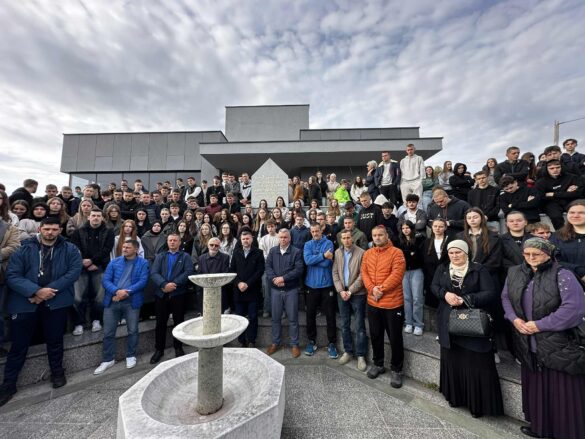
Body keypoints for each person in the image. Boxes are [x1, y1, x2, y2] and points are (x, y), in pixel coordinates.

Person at [502, 238, 585, 439]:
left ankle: (567, 432)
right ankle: (541, 427)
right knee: (537, 388)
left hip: (558, 344)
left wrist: (540, 325)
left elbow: (574, 309)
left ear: (548, 254)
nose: (531, 258)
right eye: (527, 254)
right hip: (527, 342)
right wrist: (514, 319)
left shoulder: (563, 274)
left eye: (536, 254)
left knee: (563, 390)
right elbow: (506, 297)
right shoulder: (514, 272)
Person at [0, 217, 81, 406]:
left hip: (56, 301)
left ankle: (57, 373)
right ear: (40, 229)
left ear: (60, 230)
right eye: (47, 229)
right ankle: (9, 384)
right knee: (19, 345)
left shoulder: (70, 249)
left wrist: (45, 293)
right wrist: (35, 291)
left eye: (54, 229)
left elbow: (73, 273)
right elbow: (12, 275)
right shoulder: (24, 248)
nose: (50, 232)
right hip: (25, 302)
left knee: (55, 340)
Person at [431, 240, 503, 418]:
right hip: (449, 322)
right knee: (453, 360)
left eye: (458, 252)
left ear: (466, 252)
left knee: (476, 363)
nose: (454, 256)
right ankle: (455, 398)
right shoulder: (442, 269)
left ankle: (477, 404)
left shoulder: (479, 269)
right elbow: (434, 286)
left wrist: (466, 299)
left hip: (473, 325)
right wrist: (445, 294)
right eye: (451, 253)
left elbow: (490, 293)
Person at [94, 240, 149, 374]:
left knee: (133, 330)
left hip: (132, 302)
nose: (124, 249)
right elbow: (106, 280)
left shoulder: (143, 263)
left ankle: (131, 355)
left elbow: (143, 281)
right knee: (108, 332)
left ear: (136, 249)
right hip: (112, 301)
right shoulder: (114, 262)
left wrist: (126, 292)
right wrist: (117, 291)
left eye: (128, 247)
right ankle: (108, 359)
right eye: (123, 247)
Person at [361, 226, 406, 388]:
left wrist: (380, 289)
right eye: (374, 235)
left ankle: (397, 369)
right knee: (375, 335)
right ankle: (378, 363)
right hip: (373, 302)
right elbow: (364, 273)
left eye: (380, 235)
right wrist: (372, 289)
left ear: (387, 235)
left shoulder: (397, 253)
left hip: (393, 304)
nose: (377, 237)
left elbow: (397, 275)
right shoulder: (368, 254)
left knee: (395, 338)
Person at [149, 233, 195, 364]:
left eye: (175, 240)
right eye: (170, 240)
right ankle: (159, 350)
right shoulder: (160, 256)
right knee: (160, 323)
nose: (172, 242)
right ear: (167, 242)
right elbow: (154, 273)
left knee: (178, 321)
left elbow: (188, 271)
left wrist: (173, 284)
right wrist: (164, 284)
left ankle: (178, 347)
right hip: (161, 294)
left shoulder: (185, 256)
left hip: (178, 294)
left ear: (179, 242)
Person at [70, 208, 115, 336]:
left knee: (99, 297)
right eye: (93, 215)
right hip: (81, 267)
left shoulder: (108, 232)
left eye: (98, 216)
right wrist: (84, 262)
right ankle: (78, 323)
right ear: (88, 217)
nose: (96, 218)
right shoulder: (78, 232)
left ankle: (97, 320)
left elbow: (107, 249)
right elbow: (75, 248)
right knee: (78, 297)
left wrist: (93, 261)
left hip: (99, 266)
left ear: (102, 218)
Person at [265, 228, 304, 358]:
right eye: (281, 237)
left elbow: (298, 270)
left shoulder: (296, 252)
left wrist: (283, 279)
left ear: (290, 238)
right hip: (275, 289)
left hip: (291, 290)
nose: (283, 239)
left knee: (293, 319)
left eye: (285, 237)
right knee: (275, 318)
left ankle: (294, 344)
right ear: (278, 238)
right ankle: (275, 343)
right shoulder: (273, 251)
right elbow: (268, 267)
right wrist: (275, 279)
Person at [332, 229, 367, 371]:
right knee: (344, 324)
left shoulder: (361, 253)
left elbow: (363, 275)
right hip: (342, 293)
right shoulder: (337, 253)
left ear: (352, 238)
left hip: (357, 294)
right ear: (341, 239)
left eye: (348, 237)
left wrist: (350, 291)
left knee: (359, 326)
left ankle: (361, 355)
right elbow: (335, 272)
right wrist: (341, 290)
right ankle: (348, 351)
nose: (346, 240)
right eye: (344, 238)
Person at [303, 223, 337, 358]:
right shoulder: (307, 244)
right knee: (310, 315)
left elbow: (327, 263)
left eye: (317, 231)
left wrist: (317, 259)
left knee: (330, 315)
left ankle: (332, 343)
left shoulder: (328, 243)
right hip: (311, 285)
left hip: (326, 284)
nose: (315, 233)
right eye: (312, 231)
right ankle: (311, 341)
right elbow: (307, 260)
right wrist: (323, 256)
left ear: (321, 230)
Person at [229, 229, 265, 348]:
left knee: (253, 317)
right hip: (238, 290)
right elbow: (232, 270)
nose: (245, 240)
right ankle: (242, 341)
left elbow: (260, 271)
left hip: (252, 290)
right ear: (240, 240)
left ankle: (251, 341)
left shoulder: (258, 253)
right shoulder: (236, 252)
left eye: (247, 238)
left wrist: (247, 284)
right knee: (239, 317)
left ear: (252, 239)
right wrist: (239, 283)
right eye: (243, 239)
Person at [535, 159, 583, 230]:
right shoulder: (541, 182)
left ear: (561, 167)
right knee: (555, 216)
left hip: (570, 201)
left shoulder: (572, 177)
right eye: (551, 168)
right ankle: (561, 234)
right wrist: (566, 192)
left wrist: (553, 194)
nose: (555, 170)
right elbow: (541, 198)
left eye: (558, 167)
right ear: (546, 169)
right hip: (551, 203)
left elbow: (578, 193)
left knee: (578, 213)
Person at [397, 221, 425, 335]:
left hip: (416, 270)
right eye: (403, 228)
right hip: (404, 272)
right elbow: (400, 257)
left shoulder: (419, 239)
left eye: (407, 227)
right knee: (407, 298)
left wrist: (408, 254)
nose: (405, 230)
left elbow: (419, 256)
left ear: (412, 228)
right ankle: (408, 322)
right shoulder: (399, 241)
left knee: (417, 298)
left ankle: (418, 324)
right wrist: (410, 254)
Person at [422, 218, 452, 308]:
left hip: (447, 275)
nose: (437, 228)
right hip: (431, 276)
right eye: (435, 226)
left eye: (440, 226)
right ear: (432, 227)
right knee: (432, 305)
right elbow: (424, 260)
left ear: (445, 228)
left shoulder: (451, 241)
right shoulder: (426, 242)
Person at [198, 237, 230, 313]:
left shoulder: (225, 257)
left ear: (219, 247)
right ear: (208, 245)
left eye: (216, 245)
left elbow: (224, 274)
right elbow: (199, 274)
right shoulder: (201, 258)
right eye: (211, 245)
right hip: (205, 290)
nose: (213, 247)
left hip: (219, 290)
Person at [259, 220, 280, 318]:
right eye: (268, 227)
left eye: (272, 226)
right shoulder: (263, 239)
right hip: (267, 266)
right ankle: (266, 309)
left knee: (279, 288)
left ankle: (280, 310)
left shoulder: (279, 237)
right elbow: (262, 253)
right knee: (266, 287)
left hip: (279, 265)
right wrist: (270, 258)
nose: (270, 228)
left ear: (275, 226)